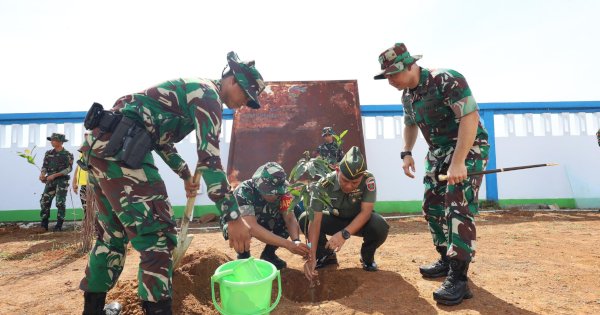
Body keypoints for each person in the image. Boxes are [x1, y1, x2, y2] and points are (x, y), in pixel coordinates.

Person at [78, 51, 265, 315]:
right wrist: (233, 216)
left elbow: (159, 138)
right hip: (122, 154)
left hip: (101, 150)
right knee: (158, 237)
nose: (245, 103)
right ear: (232, 80)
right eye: (246, 95)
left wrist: (185, 174)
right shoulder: (208, 96)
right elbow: (210, 158)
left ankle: (93, 311)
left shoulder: (194, 89)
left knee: (112, 236)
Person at [374, 42, 489, 305]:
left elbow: (469, 117)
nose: (389, 80)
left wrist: (459, 162)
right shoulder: (407, 95)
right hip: (438, 152)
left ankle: (459, 278)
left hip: (468, 147)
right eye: (386, 75)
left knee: (457, 206)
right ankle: (446, 259)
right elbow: (410, 124)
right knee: (432, 207)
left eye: (393, 73)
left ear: (410, 65)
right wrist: (406, 152)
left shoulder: (446, 80)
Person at [300, 146, 389, 281]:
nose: (348, 186)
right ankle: (324, 256)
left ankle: (367, 257)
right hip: (335, 220)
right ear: (337, 170)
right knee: (305, 218)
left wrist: (344, 234)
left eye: (355, 183)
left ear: (362, 177)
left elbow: (366, 212)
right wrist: (311, 256)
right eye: (345, 180)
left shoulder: (368, 179)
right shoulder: (324, 184)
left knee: (380, 225)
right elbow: (315, 221)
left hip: (360, 222)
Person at [222, 162, 310, 269]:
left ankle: (269, 255)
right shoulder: (244, 191)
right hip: (240, 222)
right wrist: (288, 244)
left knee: (295, 209)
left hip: (267, 218)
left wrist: (296, 242)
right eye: (271, 192)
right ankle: (244, 256)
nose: (275, 195)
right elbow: (251, 227)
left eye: (277, 192)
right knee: (243, 228)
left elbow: (289, 218)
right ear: (259, 187)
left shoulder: (284, 188)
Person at [39, 133, 73, 232]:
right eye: (51, 140)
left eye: (54, 140)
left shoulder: (68, 154)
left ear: (60, 142)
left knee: (60, 203)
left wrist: (55, 175)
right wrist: (42, 174)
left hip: (62, 181)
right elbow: (44, 166)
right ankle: (44, 224)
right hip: (50, 181)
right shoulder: (48, 153)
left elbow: (69, 169)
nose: (51, 142)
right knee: (44, 201)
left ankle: (59, 225)